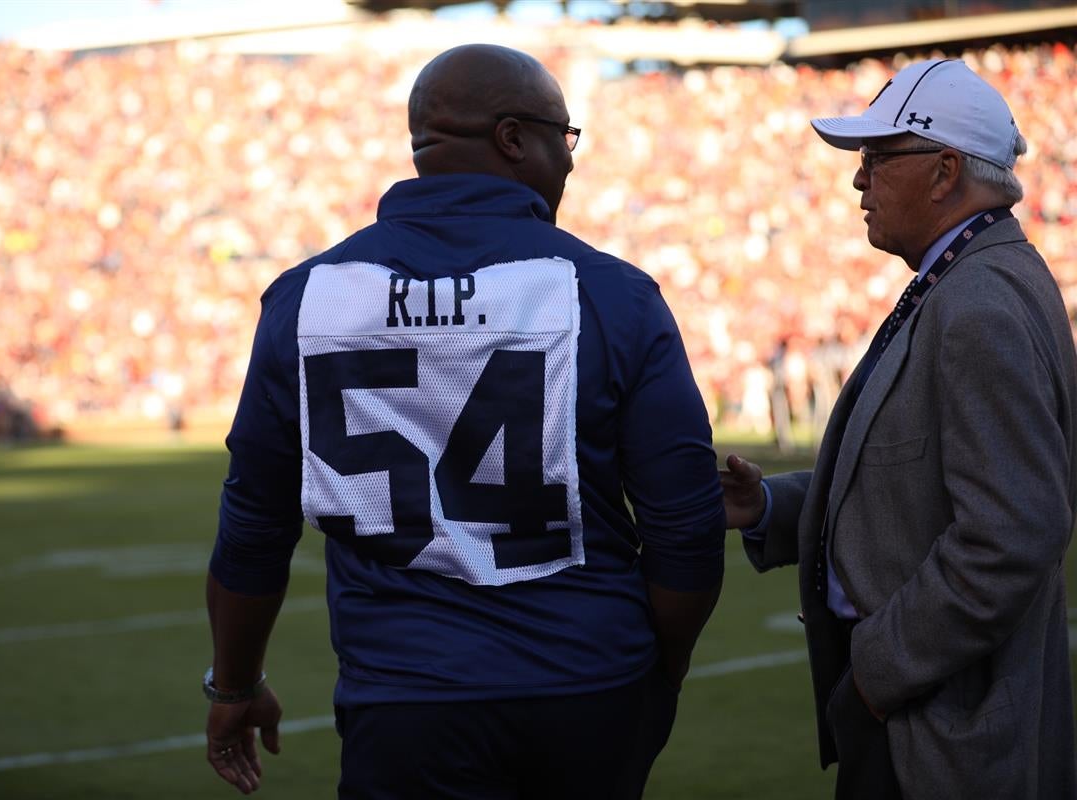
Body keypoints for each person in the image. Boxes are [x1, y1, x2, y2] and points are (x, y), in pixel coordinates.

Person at [203, 44, 726, 799]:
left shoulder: (305, 297)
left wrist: (234, 684)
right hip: (588, 688)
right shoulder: (614, 294)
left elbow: (255, 520)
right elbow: (686, 525)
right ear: (513, 139)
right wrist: (659, 666)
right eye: (564, 136)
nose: (571, 162)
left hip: (406, 700)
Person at [721, 58, 1077, 800]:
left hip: (943, 731)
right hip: (931, 712)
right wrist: (772, 507)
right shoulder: (970, 276)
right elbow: (906, 473)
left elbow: (1011, 534)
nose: (859, 180)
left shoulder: (977, 302)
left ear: (946, 171)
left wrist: (877, 676)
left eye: (878, 158)